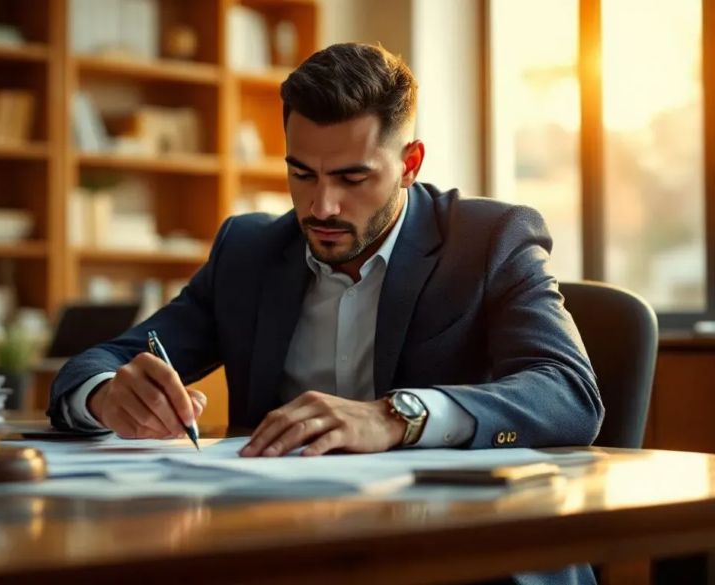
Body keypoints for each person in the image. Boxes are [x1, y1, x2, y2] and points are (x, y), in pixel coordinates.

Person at [48, 42, 603, 584]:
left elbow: (569, 393)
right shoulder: (249, 251)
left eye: (352, 178)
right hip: (284, 550)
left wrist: (395, 417)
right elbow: (100, 362)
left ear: (410, 164)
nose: (322, 207)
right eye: (302, 174)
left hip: (458, 552)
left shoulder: (488, 240)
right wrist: (105, 395)